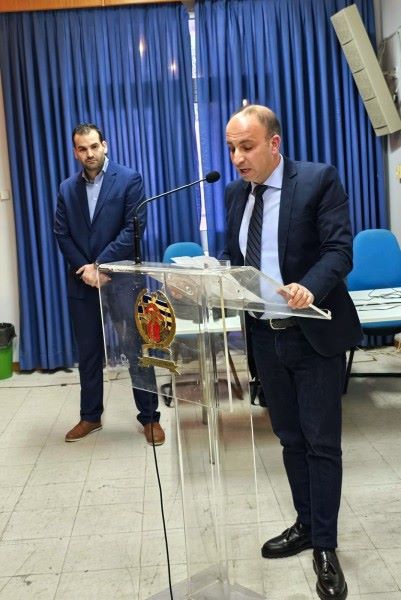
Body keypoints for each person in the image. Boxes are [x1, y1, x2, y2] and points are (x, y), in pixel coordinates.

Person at [222, 104, 362, 600]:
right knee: (290, 438)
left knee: (321, 442)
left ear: (274, 143)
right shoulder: (236, 194)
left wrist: (310, 286)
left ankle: (325, 545)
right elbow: (241, 261)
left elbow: (339, 251)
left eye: (246, 147)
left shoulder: (318, 181)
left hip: (312, 332)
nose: (237, 158)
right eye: (232, 148)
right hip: (265, 335)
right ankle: (305, 524)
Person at [54, 123, 165, 445]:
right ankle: (90, 416)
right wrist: (86, 270)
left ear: (105, 145)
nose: (89, 154)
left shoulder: (129, 179)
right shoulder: (66, 189)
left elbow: (133, 229)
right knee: (88, 352)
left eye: (94, 146)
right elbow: (62, 234)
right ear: (75, 152)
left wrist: (99, 265)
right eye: (82, 149)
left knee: (136, 349)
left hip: (121, 278)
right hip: (82, 281)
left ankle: (150, 418)